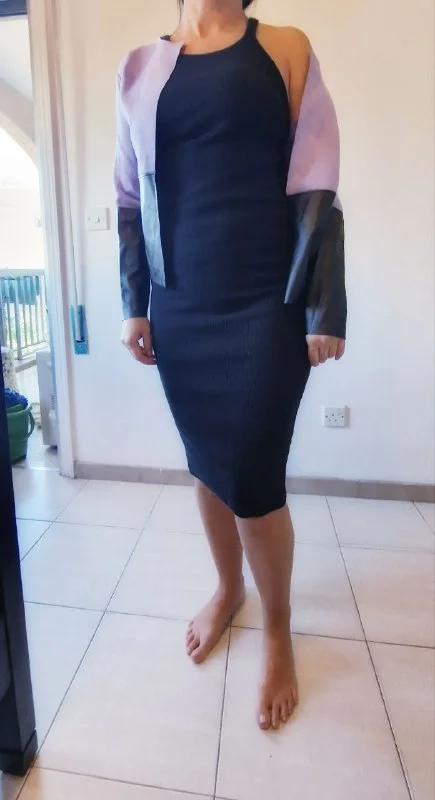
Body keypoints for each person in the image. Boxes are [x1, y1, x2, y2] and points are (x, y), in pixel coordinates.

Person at [115, 0, 347, 732]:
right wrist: (134, 304)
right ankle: (228, 589)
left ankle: (276, 630)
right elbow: (129, 196)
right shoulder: (140, 68)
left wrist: (324, 308)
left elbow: (317, 182)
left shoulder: (283, 47)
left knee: (253, 474)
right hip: (180, 305)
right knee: (208, 463)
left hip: (264, 304)